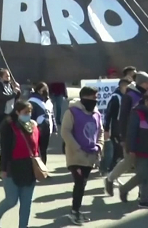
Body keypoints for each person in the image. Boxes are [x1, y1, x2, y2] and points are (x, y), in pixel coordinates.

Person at [0, 100, 40, 228]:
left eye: (30, 112)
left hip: (30, 169)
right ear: (17, 112)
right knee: (11, 200)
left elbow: (37, 148)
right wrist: (3, 170)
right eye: (25, 112)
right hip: (12, 168)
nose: (28, 115)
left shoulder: (33, 126)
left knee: (26, 204)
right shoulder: (9, 127)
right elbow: (5, 150)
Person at [60, 86, 104, 225]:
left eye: (96, 98)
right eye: (92, 98)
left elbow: (100, 132)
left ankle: (77, 210)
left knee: (82, 183)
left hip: (91, 155)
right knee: (79, 183)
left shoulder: (96, 114)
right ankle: (74, 212)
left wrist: (99, 146)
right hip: (76, 156)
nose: (95, 101)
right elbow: (65, 132)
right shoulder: (72, 112)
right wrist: (77, 148)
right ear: (84, 97)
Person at [104, 71, 148, 196]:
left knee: (140, 165)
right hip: (131, 134)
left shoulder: (146, 94)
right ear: (141, 82)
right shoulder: (129, 96)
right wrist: (124, 137)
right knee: (129, 161)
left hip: (144, 135)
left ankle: (143, 194)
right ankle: (110, 179)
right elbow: (123, 118)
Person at [118, 92, 148, 209]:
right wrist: (132, 149)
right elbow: (131, 133)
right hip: (140, 150)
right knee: (142, 174)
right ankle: (124, 189)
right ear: (146, 101)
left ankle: (144, 200)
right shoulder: (137, 113)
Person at [0, 68, 21, 162]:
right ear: (0, 77)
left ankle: (8, 154)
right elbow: (3, 97)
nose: (8, 77)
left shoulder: (10, 85)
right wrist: (14, 92)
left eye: (9, 76)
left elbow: (15, 98)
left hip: (9, 112)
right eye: (6, 76)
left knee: (9, 133)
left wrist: (18, 90)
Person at [102, 78, 131, 173]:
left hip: (124, 126)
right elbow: (109, 114)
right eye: (127, 86)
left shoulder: (127, 96)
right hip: (115, 126)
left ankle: (112, 172)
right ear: (122, 86)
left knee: (121, 151)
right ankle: (109, 170)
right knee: (117, 149)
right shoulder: (116, 97)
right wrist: (106, 129)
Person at [28, 82, 55, 164]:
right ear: (39, 90)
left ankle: (43, 169)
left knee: (43, 150)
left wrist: (54, 128)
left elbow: (52, 115)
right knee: (36, 150)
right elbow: (31, 116)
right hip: (37, 129)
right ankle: (35, 169)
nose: (46, 91)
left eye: (46, 89)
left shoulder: (48, 102)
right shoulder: (33, 101)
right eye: (44, 90)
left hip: (47, 128)